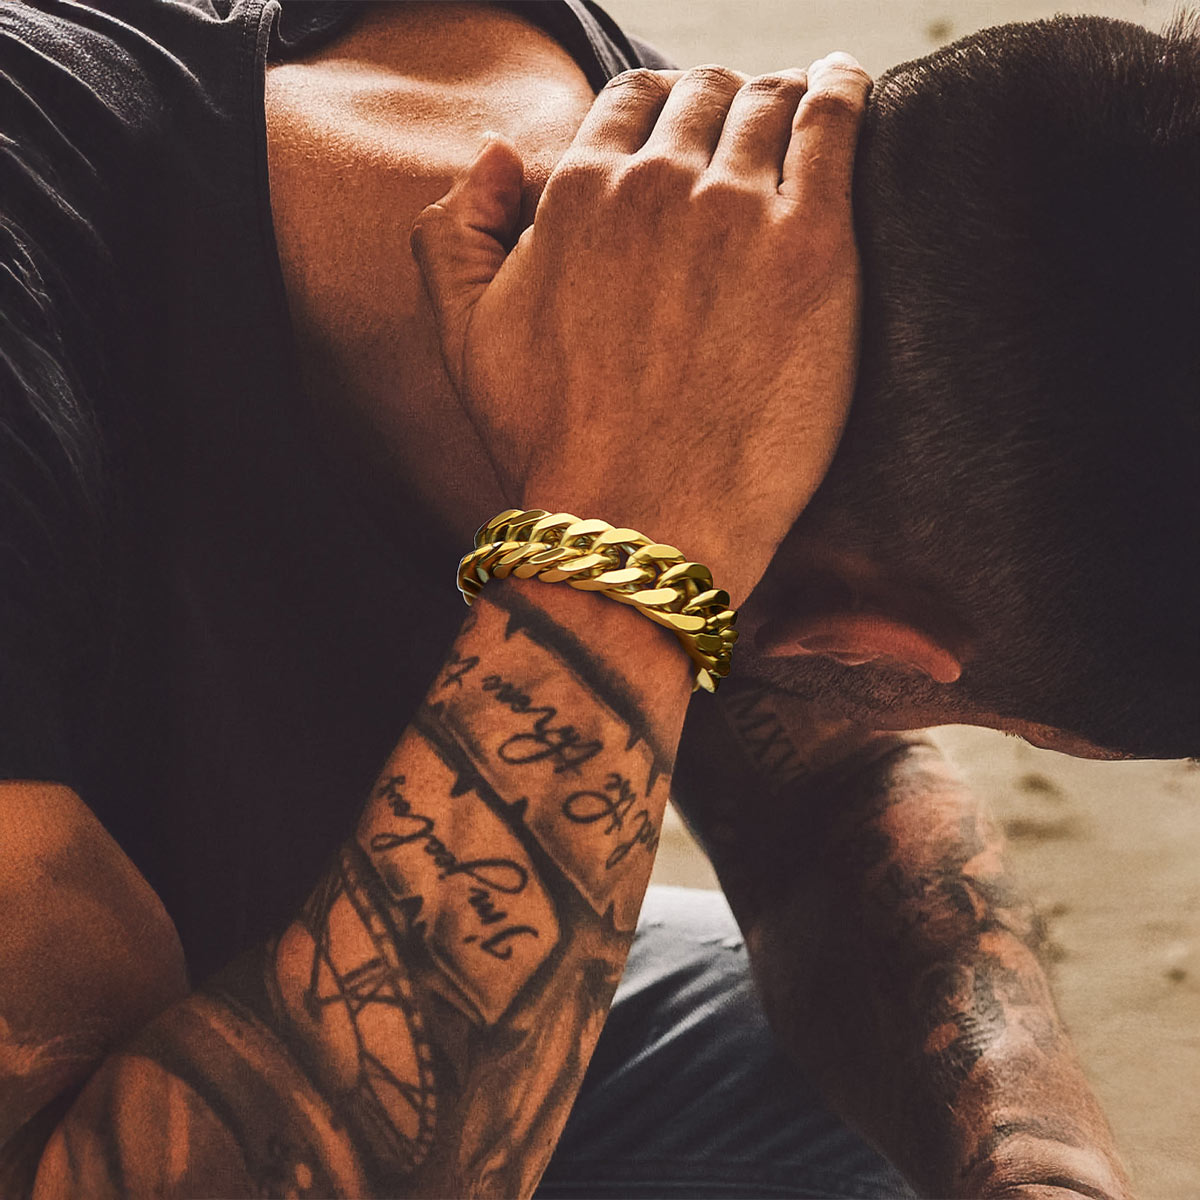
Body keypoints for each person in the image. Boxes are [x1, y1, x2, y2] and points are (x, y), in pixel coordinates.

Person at [0, 1, 1190, 1196]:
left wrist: (1038, 1163)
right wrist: (628, 529)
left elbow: (827, 790)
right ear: (851, 635)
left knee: (858, 1093)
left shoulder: (682, 212)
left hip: (256, 960)